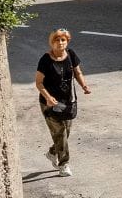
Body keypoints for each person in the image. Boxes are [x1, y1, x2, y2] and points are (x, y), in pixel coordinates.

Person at [35, 28, 91, 177]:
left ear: (67, 42)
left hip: (68, 101)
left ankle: (53, 152)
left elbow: (77, 72)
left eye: (63, 40)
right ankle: (64, 164)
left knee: (66, 132)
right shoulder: (45, 60)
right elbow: (39, 83)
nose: (60, 43)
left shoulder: (71, 54)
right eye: (57, 40)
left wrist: (84, 85)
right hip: (50, 103)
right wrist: (47, 97)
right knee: (60, 133)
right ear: (51, 43)